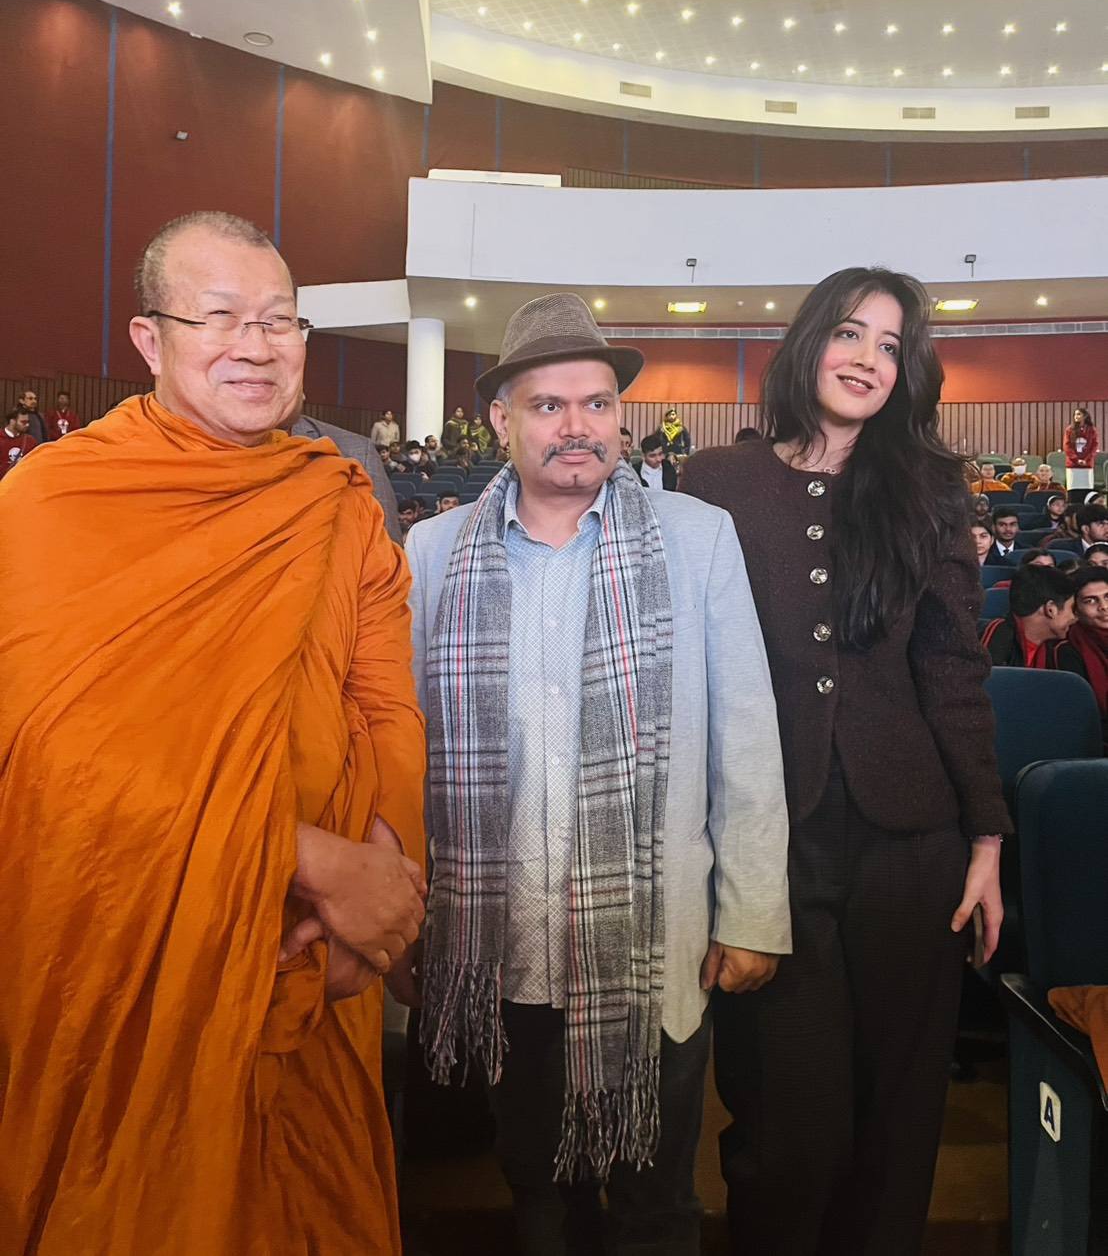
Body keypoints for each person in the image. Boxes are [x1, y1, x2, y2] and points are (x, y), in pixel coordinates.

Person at [0, 210, 427, 1255]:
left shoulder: (337, 502)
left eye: (280, 321)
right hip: (133, 958)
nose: (256, 345)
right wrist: (308, 863)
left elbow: (387, 707)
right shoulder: (52, 499)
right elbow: (53, 761)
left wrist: (374, 887)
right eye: (221, 317)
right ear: (150, 340)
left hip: (316, 965)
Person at [408, 293, 791, 1256]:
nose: (576, 425)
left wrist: (752, 913)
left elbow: (746, 734)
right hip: (507, 944)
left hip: (650, 944)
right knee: (536, 1189)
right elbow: (405, 745)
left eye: (597, 403)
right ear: (501, 420)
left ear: (622, 415)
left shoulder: (696, 537)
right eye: (549, 405)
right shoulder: (435, 552)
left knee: (656, 1200)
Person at [682, 265, 1011, 1256]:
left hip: (911, 842)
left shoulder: (928, 486)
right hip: (768, 842)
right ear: (808, 341)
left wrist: (987, 836)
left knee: (897, 1120)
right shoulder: (717, 482)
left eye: (891, 345)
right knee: (790, 1130)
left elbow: (952, 667)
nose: (868, 357)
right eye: (850, 333)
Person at [293, 408, 401, 544]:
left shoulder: (358, 452)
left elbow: (387, 548)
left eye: (391, 414)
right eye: (387, 414)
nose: (389, 416)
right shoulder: (377, 427)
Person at [1051, 565, 1108, 749]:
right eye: (1090, 601)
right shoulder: (1066, 650)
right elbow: (1079, 716)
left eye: (1107, 597)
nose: (1103, 607)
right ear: (1076, 610)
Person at [980, 565, 1077, 666]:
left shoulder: (1059, 649)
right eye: (1072, 608)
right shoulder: (998, 637)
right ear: (1050, 609)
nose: (1074, 618)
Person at [1063, 406, 1099, 491]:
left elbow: (1094, 446)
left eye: (1079, 414)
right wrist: (1076, 459)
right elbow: (1067, 446)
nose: (1076, 416)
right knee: (1073, 489)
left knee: (1087, 489)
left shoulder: (1092, 430)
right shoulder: (1069, 430)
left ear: (1085, 416)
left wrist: (1086, 459)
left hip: (1087, 465)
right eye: (1075, 414)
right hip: (1073, 465)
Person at [2, 408, 37, 477]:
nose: (27, 425)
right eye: (23, 422)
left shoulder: (30, 441)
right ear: (12, 421)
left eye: (28, 422)